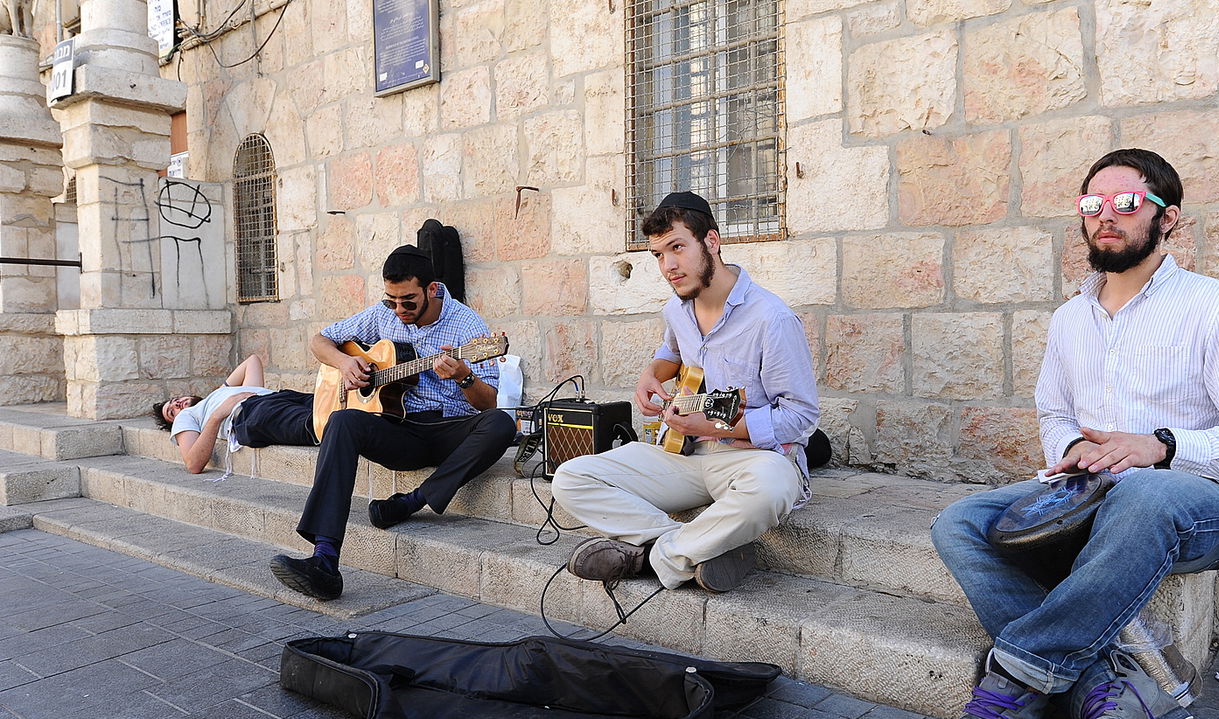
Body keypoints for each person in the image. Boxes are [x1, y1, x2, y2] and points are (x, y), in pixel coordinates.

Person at [931, 149, 1219, 719]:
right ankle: (1103, 683)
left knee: (1142, 492)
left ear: (1168, 218)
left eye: (1127, 204)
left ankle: (1017, 678)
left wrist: (1162, 447)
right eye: (1092, 205)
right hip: (1089, 492)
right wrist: (1074, 451)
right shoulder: (1070, 319)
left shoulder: (1218, 307)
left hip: (1196, 507)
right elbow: (1055, 417)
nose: (1107, 216)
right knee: (959, 522)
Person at [550, 192, 820, 594]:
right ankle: (696, 548)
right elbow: (671, 354)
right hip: (682, 453)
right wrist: (650, 374)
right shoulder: (677, 309)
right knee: (570, 477)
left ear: (711, 241)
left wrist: (718, 425)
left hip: (749, 460)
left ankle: (651, 557)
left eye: (677, 247)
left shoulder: (772, 319)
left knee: (774, 488)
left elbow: (801, 417)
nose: (668, 266)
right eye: (658, 254)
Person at [269, 245, 517, 601]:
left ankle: (412, 502)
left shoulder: (468, 325)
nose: (399, 311)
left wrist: (464, 378)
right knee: (341, 421)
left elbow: (487, 401)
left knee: (500, 424)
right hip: (400, 430)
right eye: (392, 301)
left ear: (432, 289)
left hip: (447, 430)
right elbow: (319, 340)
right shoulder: (382, 314)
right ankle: (324, 560)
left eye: (408, 302)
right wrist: (344, 364)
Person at [154, 354, 314, 474]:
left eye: (175, 400)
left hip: (278, 396)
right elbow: (193, 464)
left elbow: (252, 360)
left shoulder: (218, 395)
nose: (176, 404)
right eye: (171, 412)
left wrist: (223, 389)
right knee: (320, 424)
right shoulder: (187, 415)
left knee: (333, 406)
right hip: (250, 413)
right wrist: (217, 415)